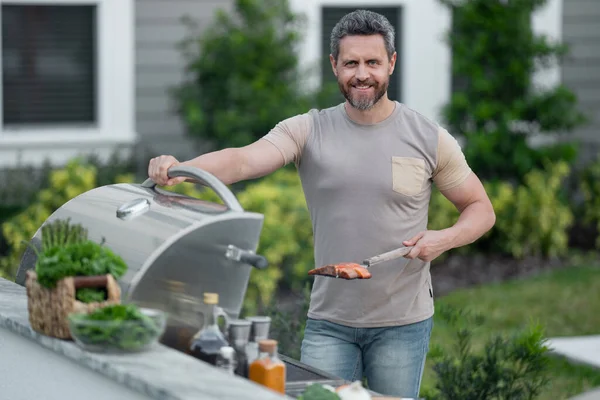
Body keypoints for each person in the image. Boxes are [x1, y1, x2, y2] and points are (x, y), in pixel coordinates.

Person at [148, 9, 495, 398]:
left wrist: (444, 239)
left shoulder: (428, 137)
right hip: (330, 322)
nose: (362, 73)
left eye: (373, 62)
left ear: (391, 63)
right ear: (334, 66)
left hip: (404, 323)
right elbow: (242, 160)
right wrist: (179, 170)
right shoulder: (307, 130)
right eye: (351, 63)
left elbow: (481, 208)